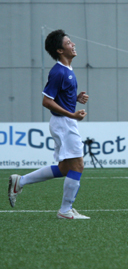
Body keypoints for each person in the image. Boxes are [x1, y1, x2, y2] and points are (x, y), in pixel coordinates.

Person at [8, 29, 90, 219]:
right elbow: (46, 101)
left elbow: (58, 97)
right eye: (69, 43)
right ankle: (65, 210)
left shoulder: (67, 70)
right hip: (64, 123)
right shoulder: (59, 72)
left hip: (64, 122)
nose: (73, 44)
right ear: (60, 50)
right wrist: (72, 114)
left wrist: (75, 99)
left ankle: (20, 182)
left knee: (65, 168)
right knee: (78, 165)